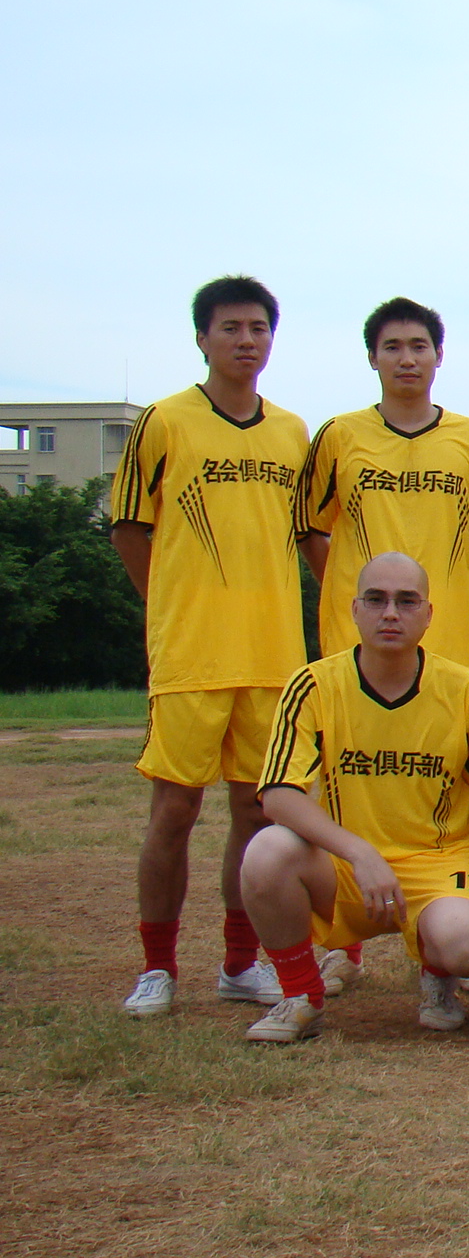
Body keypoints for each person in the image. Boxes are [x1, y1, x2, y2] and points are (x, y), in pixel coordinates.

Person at [295, 296, 469, 997]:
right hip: (358, 641)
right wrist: (363, 602)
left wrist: (436, 593)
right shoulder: (338, 436)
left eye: (420, 346)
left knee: (452, 780)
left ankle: (447, 934)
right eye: (393, 346)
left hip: (446, 638)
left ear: (439, 356)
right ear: (372, 358)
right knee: (346, 781)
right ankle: (342, 946)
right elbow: (314, 533)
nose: (407, 358)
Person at [111, 275, 309, 1019]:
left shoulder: (292, 431)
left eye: (258, 328)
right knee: (174, 811)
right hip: (192, 654)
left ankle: (239, 963)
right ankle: (157, 968)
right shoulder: (164, 421)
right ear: (202, 338)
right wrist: (170, 607)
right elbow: (129, 528)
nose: (246, 340)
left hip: (272, 656)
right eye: (231, 327)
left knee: (258, 816)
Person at [236, 553, 469, 1042]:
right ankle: (301, 996)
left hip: (440, 862)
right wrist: (360, 853)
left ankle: (438, 974)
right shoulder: (313, 684)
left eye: (407, 601)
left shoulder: (464, 689)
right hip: (347, 867)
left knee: (467, 946)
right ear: (354, 610)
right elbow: (277, 795)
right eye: (376, 600)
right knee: (267, 852)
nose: (390, 614)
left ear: (429, 614)